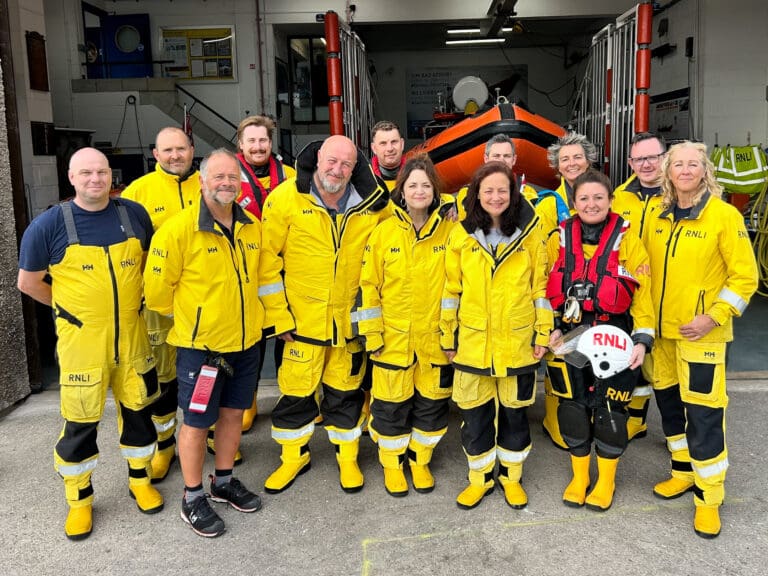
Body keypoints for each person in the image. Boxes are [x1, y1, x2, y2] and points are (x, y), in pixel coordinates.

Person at [17, 148, 162, 540]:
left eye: (101, 172)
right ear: (71, 177)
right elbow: (28, 282)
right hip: (83, 343)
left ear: (110, 175)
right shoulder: (48, 225)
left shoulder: (133, 215)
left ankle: (140, 481)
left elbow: (148, 265)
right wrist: (69, 311)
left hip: (132, 337)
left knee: (139, 413)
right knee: (80, 424)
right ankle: (79, 501)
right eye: (86, 173)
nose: (95, 179)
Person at [258, 135, 390, 494]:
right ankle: (293, 457)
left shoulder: (372, 203)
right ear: (318, 158)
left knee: (345, 394)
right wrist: (278, 317)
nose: (337, 169)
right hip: (300, 324)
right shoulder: (286, 198)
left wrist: (445, 209)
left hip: (349, 323)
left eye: (346, 164)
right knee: (295, 395)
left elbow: (402, 230)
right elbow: (267, 264)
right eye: (332, 161)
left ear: (355, 167)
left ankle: (347, 458)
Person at [143, 149, 264, 538]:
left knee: (232, 416)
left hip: (245, 344)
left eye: (233, 177)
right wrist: (196, 320)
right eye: (219, 177)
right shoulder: (177, 231)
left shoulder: (251, 226)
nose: (227, 183)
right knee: (196, 424)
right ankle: (192, 496)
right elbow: (157, 294)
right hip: (202, 351)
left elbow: (262, 278)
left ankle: (223, 481)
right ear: (202, 181)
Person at [643, 141, 758, 539]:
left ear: (705, 171)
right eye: (678, 164)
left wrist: (713, 317)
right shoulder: (657, 215)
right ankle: (682, 472)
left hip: (702, 336)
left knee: (705, 415)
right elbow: (642, 269)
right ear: (668, 172)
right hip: (662, 336)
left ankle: (709, 496)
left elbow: (745, 278)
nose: (686, 170)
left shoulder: (724, 216)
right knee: (670, 408)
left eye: (693, 164)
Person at [440, 161, 552, 510]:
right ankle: (480, 479)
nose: (495, 196)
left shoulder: (530, 233)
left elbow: (540, 289)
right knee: (475, 418)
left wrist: (542, 333)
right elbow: (450, 291)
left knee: (515, 417)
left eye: (502, 190)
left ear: (513, 193)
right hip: (472, 344)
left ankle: (511, 478)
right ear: (476, 194)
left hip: (517, 344)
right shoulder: (460, 235)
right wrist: (447, 337)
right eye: (488, 190)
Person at [545, 170, 654, 511]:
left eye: (598, 197)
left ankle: (606, 481)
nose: (591, 204)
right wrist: (551, 327)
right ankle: (579, 478)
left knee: (611, 412)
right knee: (573, 409)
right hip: (571, 336)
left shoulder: (629, 241)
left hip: (615, 336)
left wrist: (642, 340)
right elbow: (543, 287)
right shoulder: (558, 239)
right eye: (584, 198)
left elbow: (643, 295)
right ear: (574, 202)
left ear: (610, 200)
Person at [354, 155, 455, 496]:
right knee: (390, 408)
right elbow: (369, 287)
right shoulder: (384, 232)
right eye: (412, 185)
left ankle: (420, 461)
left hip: (436, 341)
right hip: (392, 341)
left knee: (432, 406)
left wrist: (452, 336)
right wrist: (372, 335)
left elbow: (459, 286)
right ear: (402, 190)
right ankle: (393, 465)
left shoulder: (451, 231)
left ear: (435, 191)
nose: (419, 191)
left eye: (426, 185)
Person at [121, 126, 199, 482]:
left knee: (208, 372)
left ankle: (207, 436)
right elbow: (127, 252)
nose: (175, 156)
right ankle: (165, 445)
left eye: (181, 149)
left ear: (191, 150)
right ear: (155, 154)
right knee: (164, 377)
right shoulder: (137, 193)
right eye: (167, 150)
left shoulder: (208, 184)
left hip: (203, 301)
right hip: (158, 304)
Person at [537, 131, 597, 450]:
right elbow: (542, 254)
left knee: (592, 361)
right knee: (560, 359)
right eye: (565, 159)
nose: (572, 163)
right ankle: (556, 421)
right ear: (557, 166)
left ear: (588, 160)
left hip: (596, 295)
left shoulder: (603, 195)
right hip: (561, 295)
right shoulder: (550, 203)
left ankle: (587, 419)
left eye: (577, 157)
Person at [612, 132, 667, 441]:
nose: (646, 164)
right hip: (630, 293)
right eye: (639, 159)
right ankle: (637, 419)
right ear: (630, 162)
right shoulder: (619, 197)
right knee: (634, 362)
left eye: (652, 157)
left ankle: (680, 433)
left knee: (668, 371)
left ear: (664, 157)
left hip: (668, 294)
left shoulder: (680, 196)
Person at [456, 134, 538, 220]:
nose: (501, 160)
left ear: (514, 160)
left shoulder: (529, 193)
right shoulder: (467, 193)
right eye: (496, 156)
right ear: (486, 159)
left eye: (506, 156)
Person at [370, 120, 405, 190]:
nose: (390, 148)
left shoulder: (416, 173)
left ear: (402, 144)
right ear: (374, 148)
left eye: (394, 142)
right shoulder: (364, 175)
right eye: (383, 143)